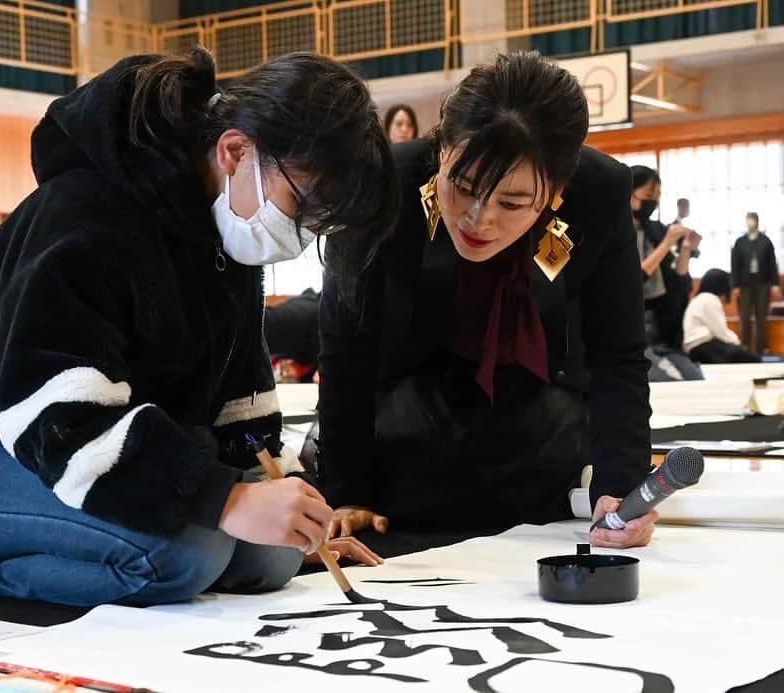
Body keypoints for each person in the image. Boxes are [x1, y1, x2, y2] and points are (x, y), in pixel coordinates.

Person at [0, 48, 396, 608]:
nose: (299, 233)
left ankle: (93, 537)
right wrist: (223, 501)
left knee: (272, 556)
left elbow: (240, 397)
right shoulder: (91, 211)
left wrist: (278, 495)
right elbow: (53, 415)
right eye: (303, 207)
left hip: (89, 440)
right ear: (236, 150)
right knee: (182, 556)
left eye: (317, 223)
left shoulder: (227, 230)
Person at [318, 52, 657, 551]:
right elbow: (346, 349)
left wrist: (620, 487)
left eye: (513, 203)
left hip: (537, 403)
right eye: (463, 186)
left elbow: (618, 354)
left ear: (557, 191)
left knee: (551, 442)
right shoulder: (380, 184)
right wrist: (348, 492)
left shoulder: (601, 192)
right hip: (408, 398)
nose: (479, 219)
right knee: (412, 451)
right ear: (442, 150)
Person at [631, 166, 703, 382]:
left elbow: (679, 283)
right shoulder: (617, 231)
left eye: (658, 196)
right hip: (632, 326)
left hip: (662, 326)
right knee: (663, 380)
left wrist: (686, 251)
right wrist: (667, 244)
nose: (654, 201)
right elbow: (632, 281)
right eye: (649, 195)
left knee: (694, 377)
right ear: (629, 193)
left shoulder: (657, 230)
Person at [683, 269, 758, 364]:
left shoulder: (700, 298)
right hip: (702, 346)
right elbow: (721, 332)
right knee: (751, 358)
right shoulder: (711, 299)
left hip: (694, 347)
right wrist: (738, 344)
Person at [732, 212, 779, 354]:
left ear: (757, 222)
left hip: (762, 284)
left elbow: (772, 264)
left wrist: (775, 284)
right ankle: (745, 348)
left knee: (761, 317)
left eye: (752, 220)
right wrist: (735, 285)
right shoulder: (740, 242)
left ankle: (761, 348)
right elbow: (735, 264)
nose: (750, 223)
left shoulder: (766, 241)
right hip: (745, 285)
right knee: (745, 317)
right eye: (748, 220)